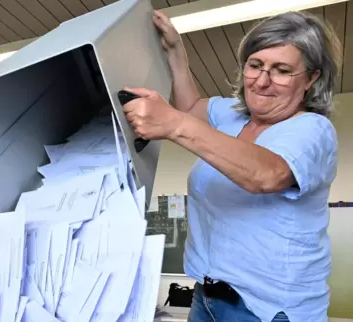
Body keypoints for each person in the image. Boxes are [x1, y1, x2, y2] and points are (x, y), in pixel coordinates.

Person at [123, 11, 341, 322]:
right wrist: (175, 52)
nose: (263, 81)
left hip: (267, 311)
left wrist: (173, 124)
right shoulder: (231, 115)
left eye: (282, 70)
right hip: (207, 296)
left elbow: (267, 175)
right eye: (255, 65)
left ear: (311, 78)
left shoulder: (313, 131)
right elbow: (189, 107)